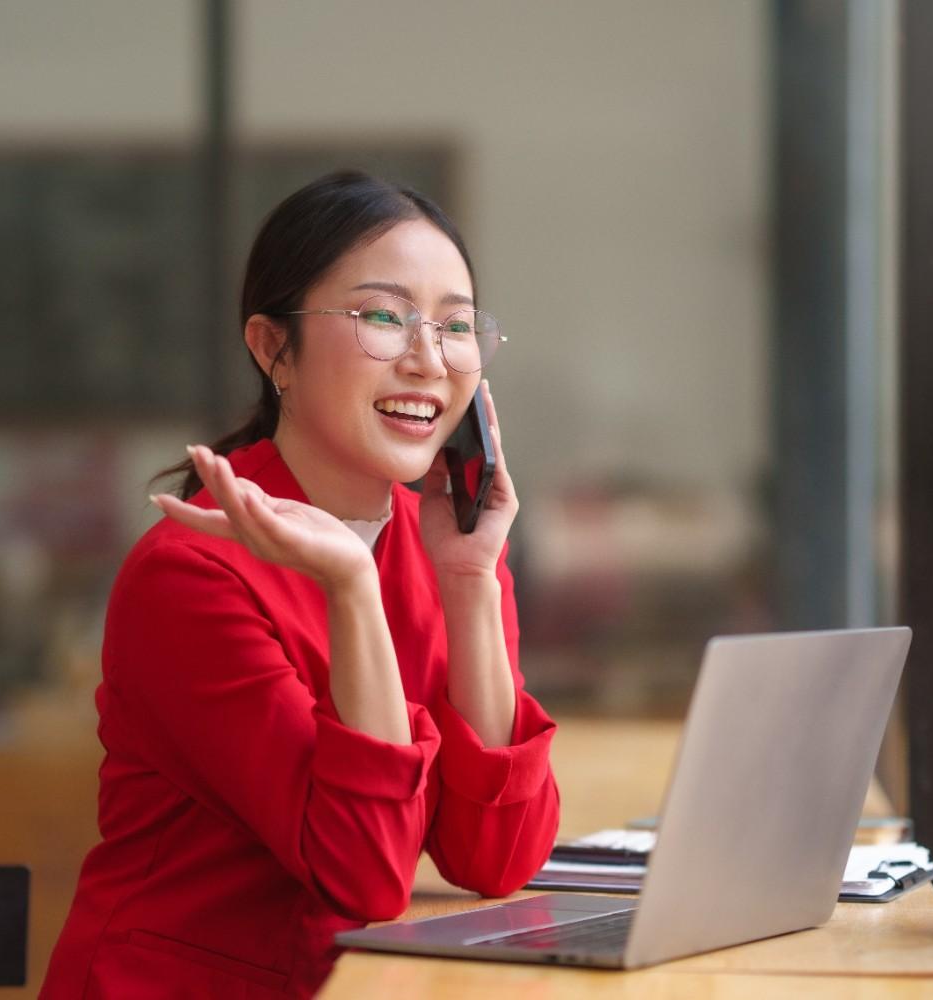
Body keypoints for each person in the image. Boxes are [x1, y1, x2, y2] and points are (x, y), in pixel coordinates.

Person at [40, 170, 560, 999]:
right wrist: (352, 588)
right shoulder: (189, 574)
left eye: (455, 326)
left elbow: (497, 857)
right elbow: (367, 874)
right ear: (272, 346)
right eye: (384, 318)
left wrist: (469, 582)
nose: (428, 359)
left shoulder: (447, 545)